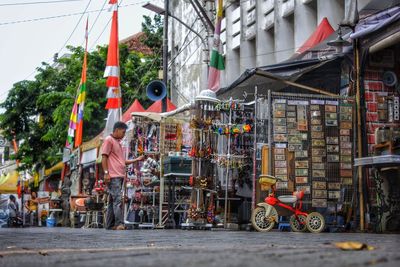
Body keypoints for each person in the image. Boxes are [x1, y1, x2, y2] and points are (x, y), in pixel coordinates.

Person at [101, 121, 144, 230]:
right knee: (117, 200)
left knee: (112, 201)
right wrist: (106, 173)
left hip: (118, 176)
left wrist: (136, 159)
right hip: (113, 176)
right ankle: (119, 223)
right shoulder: (108, 140)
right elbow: (104, 157)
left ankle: (110, 225)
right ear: (117, 130)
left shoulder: (117, 143)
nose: (124, 134)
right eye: (123, 132)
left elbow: (121, 161)